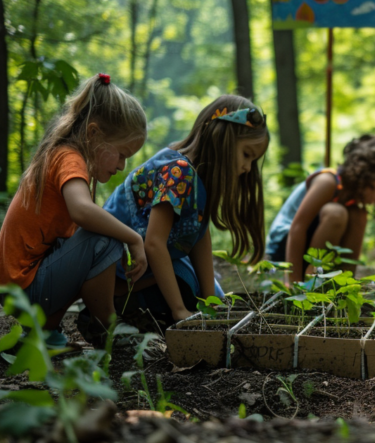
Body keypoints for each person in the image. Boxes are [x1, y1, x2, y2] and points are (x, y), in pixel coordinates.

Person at [0, 73, 148, 348]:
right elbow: (82, 211)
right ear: (94, 133)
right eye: (121, 154)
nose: (122, 166)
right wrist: (133, 237)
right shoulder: (69, 157)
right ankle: (108, 330)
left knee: (100, 236)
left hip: (23, 293)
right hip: (24, 293)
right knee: (105, 240)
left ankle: (44, 332)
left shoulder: (66, 156)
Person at [103, 96, 268, 330]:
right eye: (246, 155)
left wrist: (211, 300)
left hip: (150, 265)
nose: (247, 168)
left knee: (208, 292)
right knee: (186, 286)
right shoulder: (178, 171)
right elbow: (154, 244)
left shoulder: (199, 177)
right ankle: (116, 309)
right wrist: (179, 309)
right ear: (222, 141)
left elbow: (200, 236)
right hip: (117, 270)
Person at [266, 135, 375, 285]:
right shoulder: (327, 182)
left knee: (359, 214)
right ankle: (311, 278)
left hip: (308, 248)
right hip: (285, 248)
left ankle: (344, 284)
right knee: (336, 213)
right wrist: (293, 282)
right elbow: (297, 228)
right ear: (366, 175)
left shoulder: (351, 202)